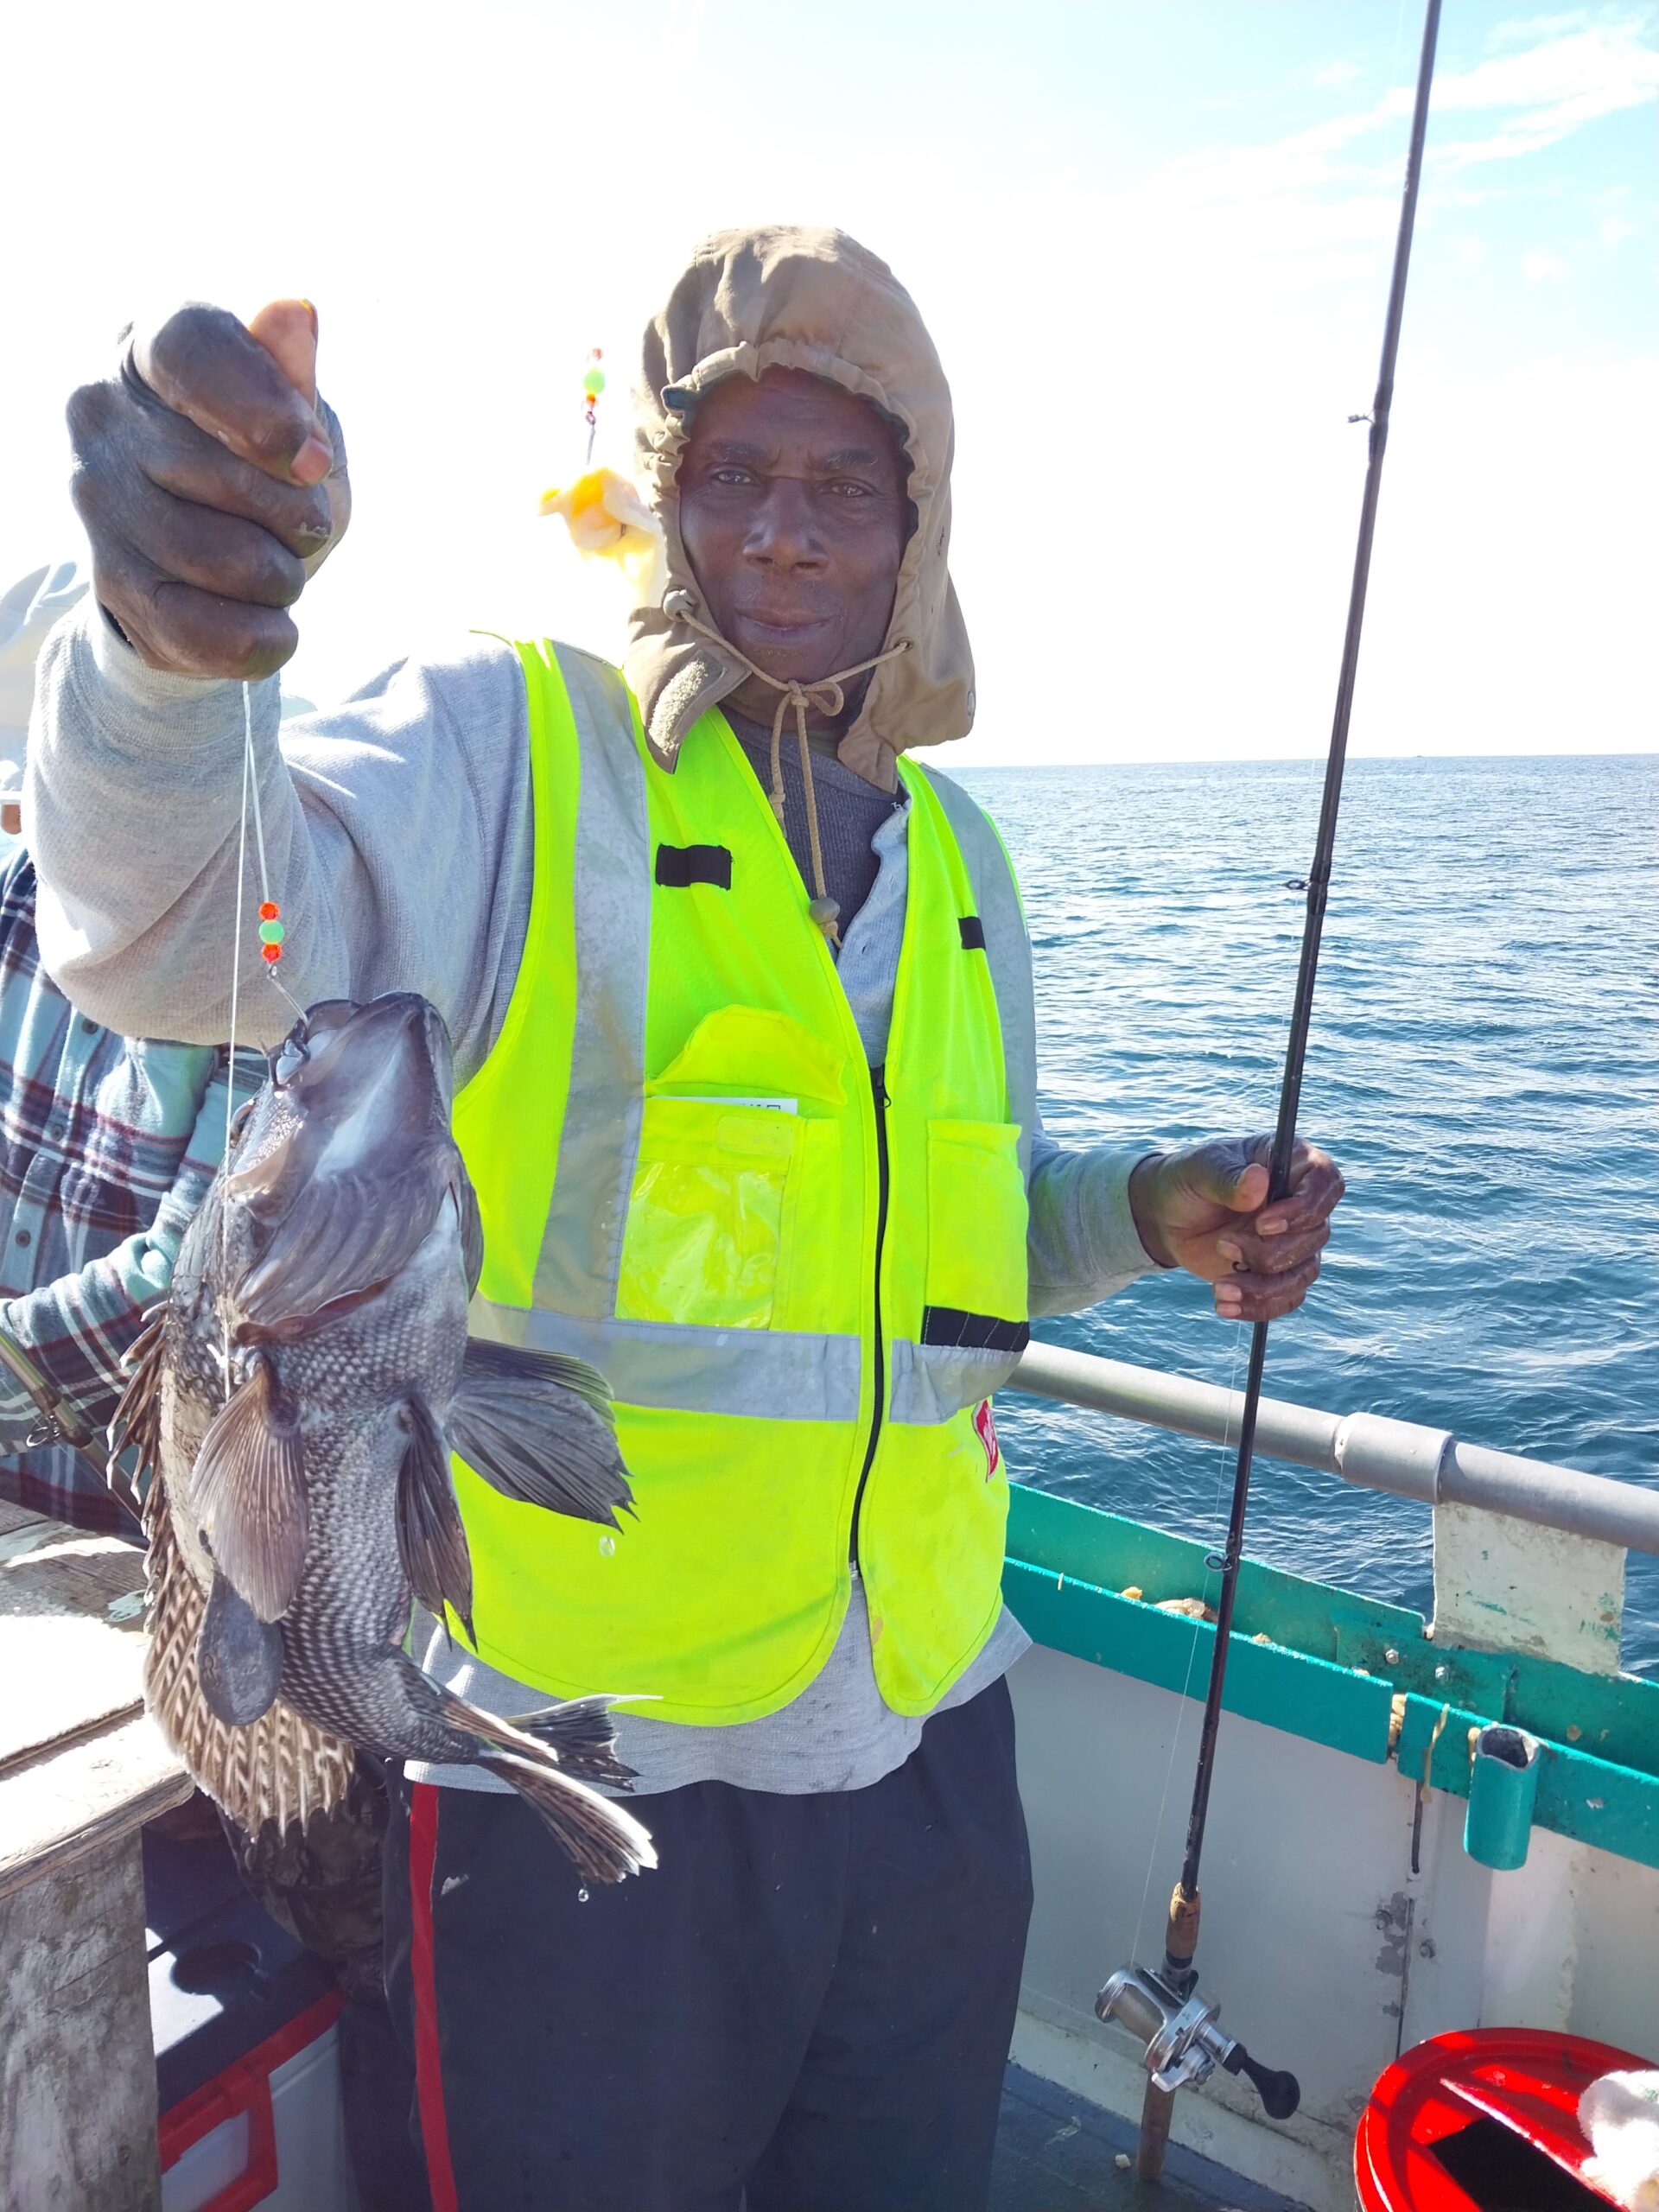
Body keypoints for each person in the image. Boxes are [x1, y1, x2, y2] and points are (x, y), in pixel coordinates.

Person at [29, 227, 1344, 2212]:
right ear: (661, 495)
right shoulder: (512, 742)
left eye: (846, 482)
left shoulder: (963, 857)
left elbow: (954, 1254)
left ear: (926, 516)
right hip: (580, 1779)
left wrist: (1148, 1214)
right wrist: (161, 654)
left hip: (927, 1748)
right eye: (733, 473)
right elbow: (165, 920)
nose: (789, 535)